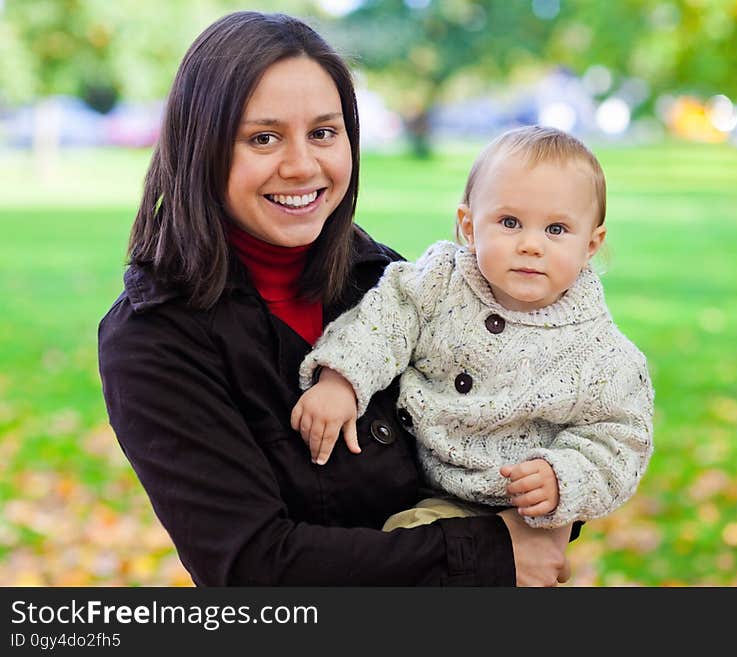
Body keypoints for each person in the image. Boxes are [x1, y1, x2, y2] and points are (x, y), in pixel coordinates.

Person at [97, 11, 572, 586]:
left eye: (323, 133)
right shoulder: (154, 338)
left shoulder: (391, 283)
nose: (302, 166)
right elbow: (253, 569)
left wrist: (557, 487)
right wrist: (493, 552)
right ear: (202, 148)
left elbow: (520, 435)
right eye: (263, 138)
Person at [292, 126, 654, 535]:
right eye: (510, 222)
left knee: (407, 543)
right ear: (468, 225)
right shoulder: (440, 281)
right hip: (412, 469)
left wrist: (563, 477)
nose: (531, 245)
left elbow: (619, 439)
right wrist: (342, 378)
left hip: (508, 508)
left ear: (591, 244)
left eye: (556, 230)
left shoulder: (601, 355)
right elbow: (384, 321)